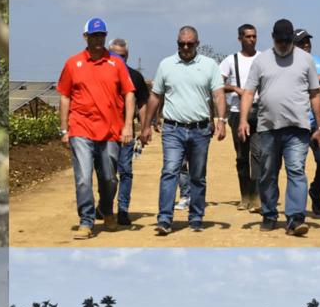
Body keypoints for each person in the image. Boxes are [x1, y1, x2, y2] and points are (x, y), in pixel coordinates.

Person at [239, 19, 320, 236]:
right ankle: (269, 213)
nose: (284, 45)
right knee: (267, 173)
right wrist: (242, 121)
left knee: (296, 170)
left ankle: (295, 219)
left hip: (298, 128)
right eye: (280, 41)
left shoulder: (305, 60)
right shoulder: (262, 61)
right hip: (268, 127)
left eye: (287, 41)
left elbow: (315, 94)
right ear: (273, 38)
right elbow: (248, 92)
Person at [140, 26, 226, 235]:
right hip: (173, 129)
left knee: (197, 175)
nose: (185, 47)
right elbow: (155, 96)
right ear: (177, 44)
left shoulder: (209, 65)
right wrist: (146, 126)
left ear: (197, 43)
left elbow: (219, 94)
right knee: (170, 171)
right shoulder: (166, 65)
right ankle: (164, 219)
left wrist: (221, 120)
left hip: (200, 130)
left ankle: (196, 217)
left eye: (190, 43)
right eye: (181, 44)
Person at [57, 18, 135, 239]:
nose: (98, 39)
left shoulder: (116, 63)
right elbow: (64, 97)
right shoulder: (73, 63)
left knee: (109, 177)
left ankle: (107, 210)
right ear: (86, 37)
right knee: (83, 177)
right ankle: (86, 220)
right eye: (94, 36)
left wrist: (128, 125)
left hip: (110, 130)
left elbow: (129, 93)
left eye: (101, 35)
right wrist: (64, 130)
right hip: (81, 128)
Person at [219, 23, 262, 210]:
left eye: (254, 36)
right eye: (248, 36)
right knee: (242, 157)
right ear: (240, 39)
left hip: (261, 112)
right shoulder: (230, 60)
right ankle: (245, 195)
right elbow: (217, 84)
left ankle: (257, 196)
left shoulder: (264, 58)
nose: (251, 39)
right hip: (237, 113)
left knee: (259, 155)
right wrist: (235, 89)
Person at [294, 29, 320, 216]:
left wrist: (310, 87)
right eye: (301, 42)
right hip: (296, 123)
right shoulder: (288, 65)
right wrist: (319, 82)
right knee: (297, 165)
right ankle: (298, 206)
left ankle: (315, 191)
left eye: (307, 42)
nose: (306, 45)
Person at [109, 37, 151, 225]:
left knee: (125, 171)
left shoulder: (135, 77)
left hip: (125, 133)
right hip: (103, 133)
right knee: (106, 174)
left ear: (128, 56)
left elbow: (142, 104)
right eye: (115, 55)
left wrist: (145, 128)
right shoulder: (101, 74)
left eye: (123, 56)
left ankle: (123, 209)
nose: (119, 59)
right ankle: (105, 206)